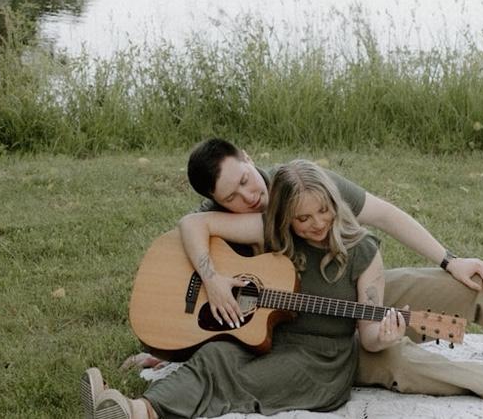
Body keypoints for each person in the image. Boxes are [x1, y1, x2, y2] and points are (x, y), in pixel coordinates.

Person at [182, 138, 483, 401]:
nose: (249, 196)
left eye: (246, 180)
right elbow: (188, 242)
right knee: (392, 357)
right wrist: (202, 299)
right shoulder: (225, 222)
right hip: (307, 332)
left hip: (360, 291)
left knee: (474, 283)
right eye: (231, 196)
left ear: (248, 157)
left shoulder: (306, 183)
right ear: (216, 203)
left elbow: (386, 215)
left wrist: (450, 260)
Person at [82, 161, 415, 419]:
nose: (317, 223)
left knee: (236, 378)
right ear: (286, 217)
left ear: (334, 203)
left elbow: (369, 337)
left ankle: (137, 412)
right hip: (267, 338)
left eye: (324, 210)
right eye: (302, 218)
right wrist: (213, 280)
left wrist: (385, 336)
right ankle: (132, 408)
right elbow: (194, 224)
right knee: (215, 357)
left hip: (320, 362)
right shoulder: (273, 232)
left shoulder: (363, 251)